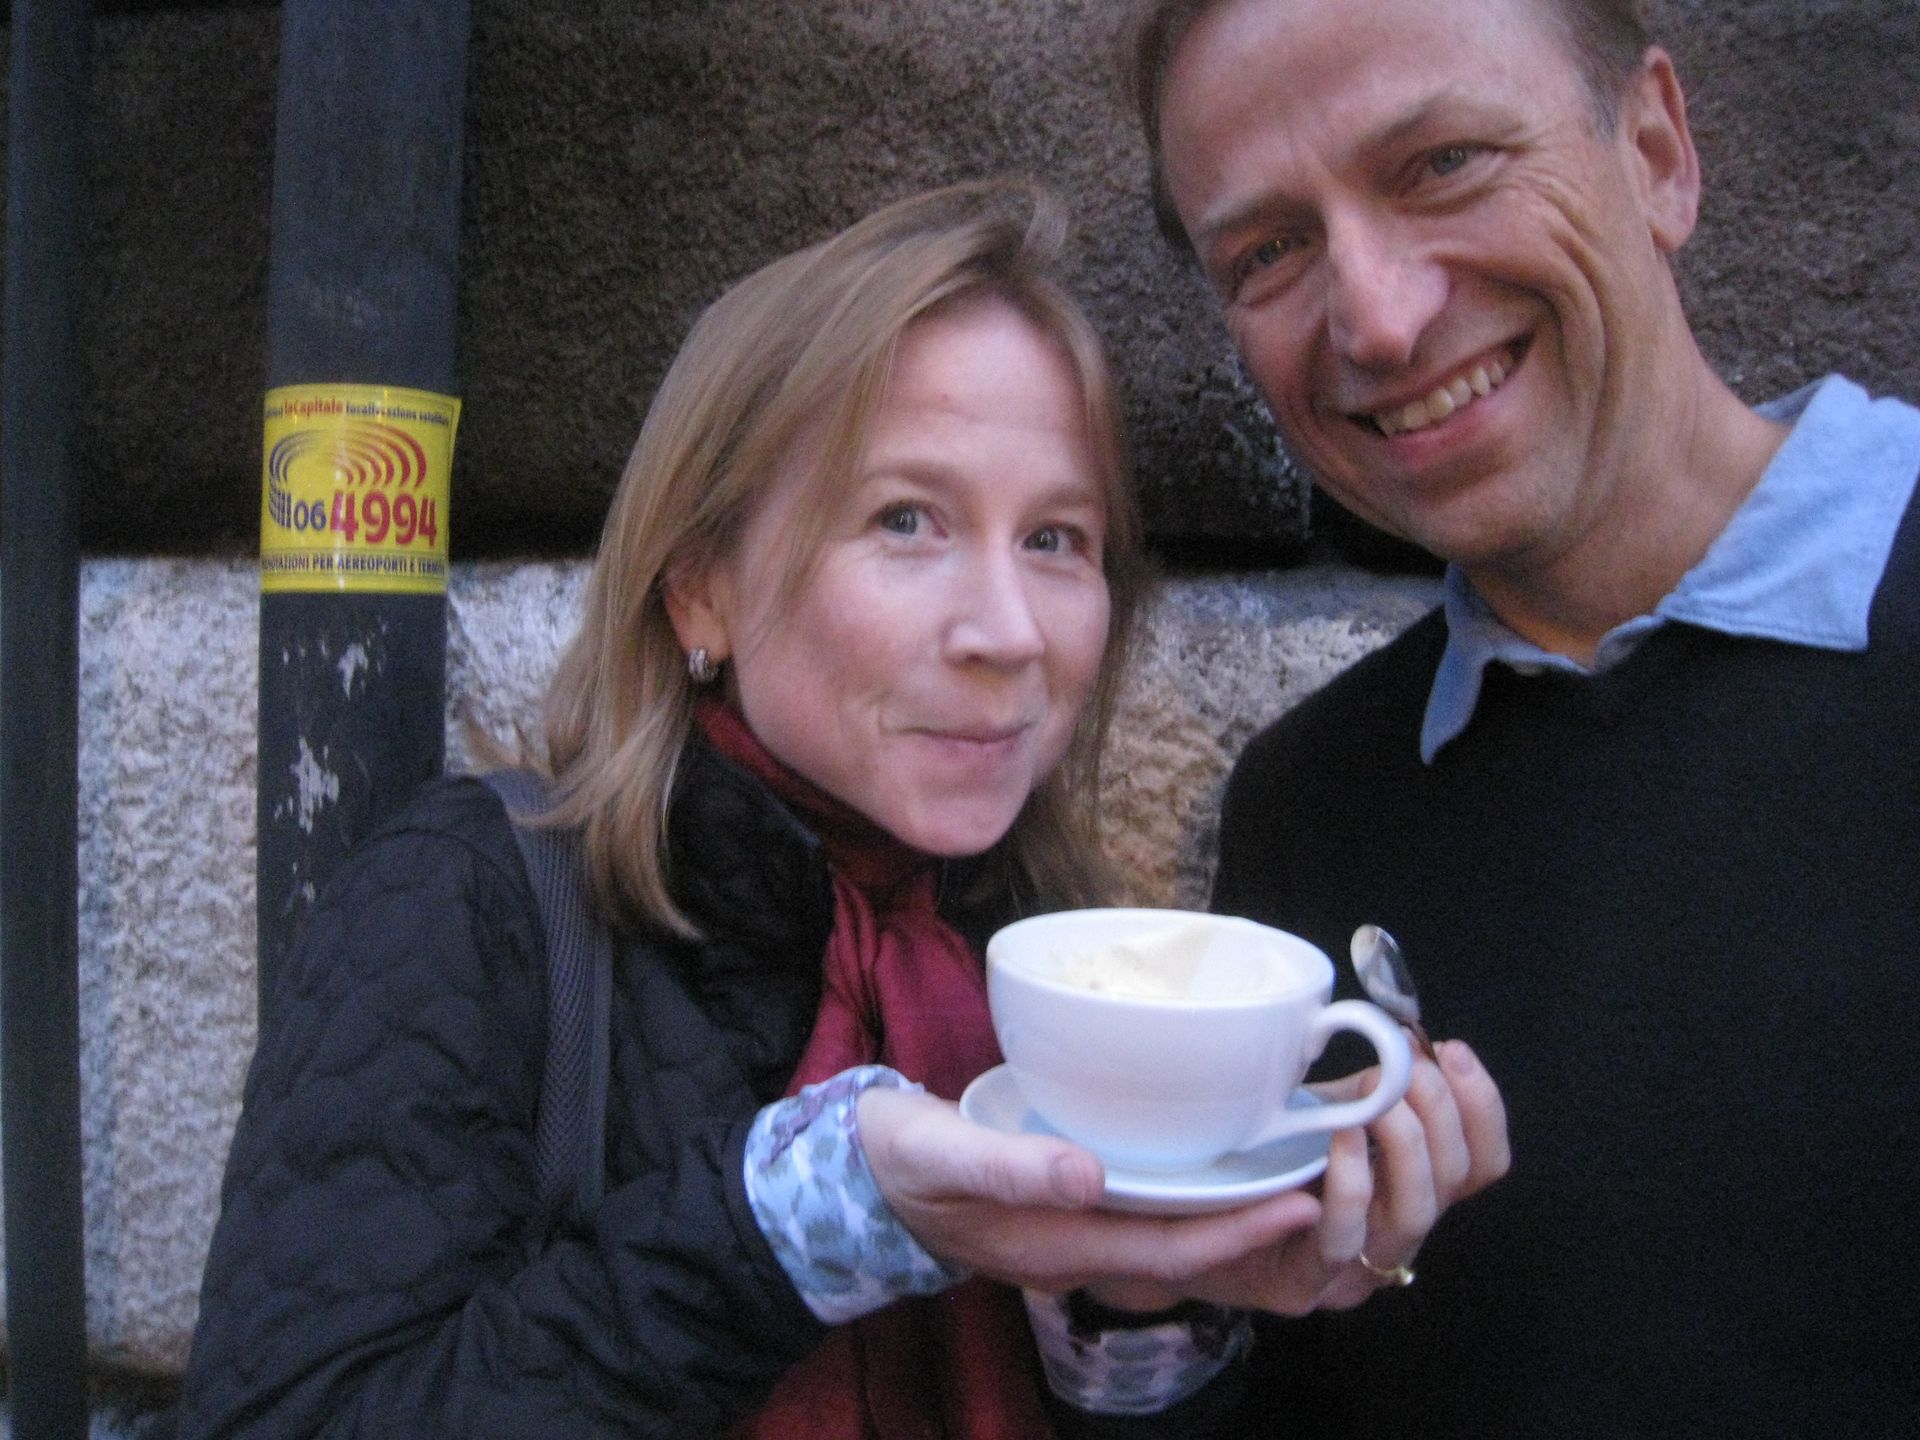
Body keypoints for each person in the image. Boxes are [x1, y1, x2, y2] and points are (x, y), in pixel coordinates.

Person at [177, 181, 1508, 1439]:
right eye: (907, 521)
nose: (1006, 633)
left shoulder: (1054, 956)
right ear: (699, 588)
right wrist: (818, 1217)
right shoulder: (468, 905)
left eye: (1056, 539)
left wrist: (1155, 1301)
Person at [1128, 0, 1920, 1434]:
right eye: (1268, 252)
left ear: (1659, 153)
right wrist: (1139, 1306)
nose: (1375, 316)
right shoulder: (1313, 806)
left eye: (1441, 163)